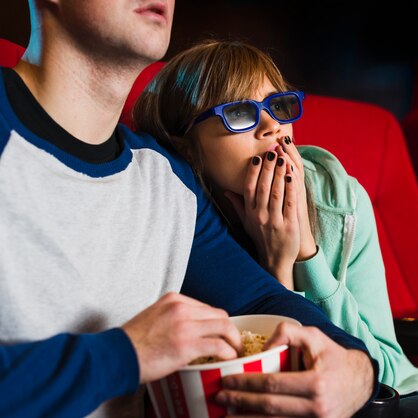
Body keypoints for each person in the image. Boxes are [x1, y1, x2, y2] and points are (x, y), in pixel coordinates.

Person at [0, 1, 379, 417]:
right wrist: (128, 353)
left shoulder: (169, 180)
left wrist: (355, 371)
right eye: (241, 113)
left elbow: (264, 301)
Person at [133, 39, 418, 418]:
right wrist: (279, 267)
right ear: (185, 145)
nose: (272, 126)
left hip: (402, 390)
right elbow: (279, 389)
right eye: (238, 113)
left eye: (278, 106)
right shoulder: (180, 222)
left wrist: (308, 254)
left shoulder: (342, 200)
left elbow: (384, 368)